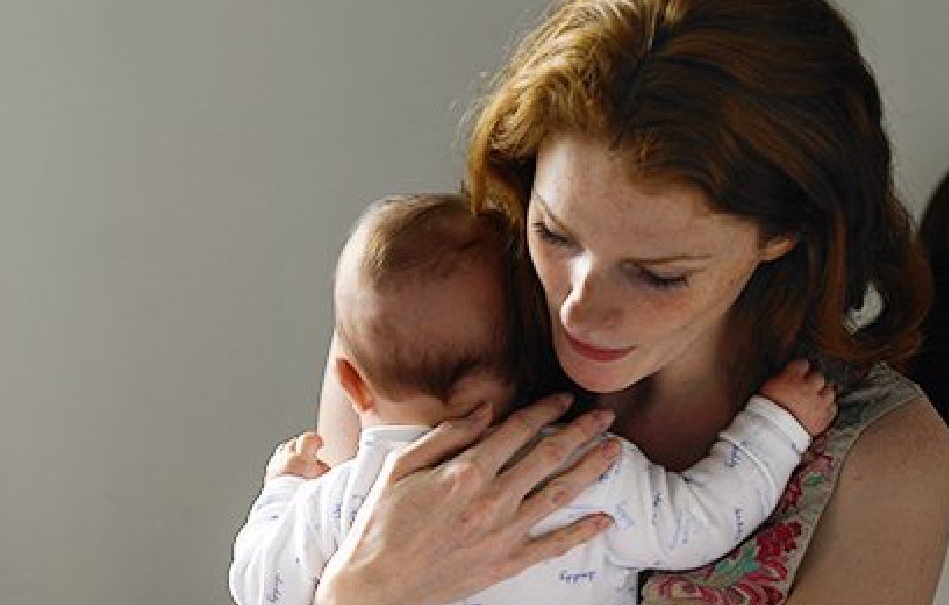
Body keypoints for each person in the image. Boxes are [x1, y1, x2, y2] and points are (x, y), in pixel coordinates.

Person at [304, 0, 949, 605]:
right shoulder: (427, 332)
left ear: (783, 233)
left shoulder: (883, 461)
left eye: (657, 275)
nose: (578, 309)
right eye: (555, 234)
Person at [228, 194, 836, 605]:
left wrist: (285, 489)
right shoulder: (582, 471)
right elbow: (702, 523)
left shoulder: (338, 506)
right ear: (531, 356)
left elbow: (255, 583)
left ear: (351, 382)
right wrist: (778, 425)